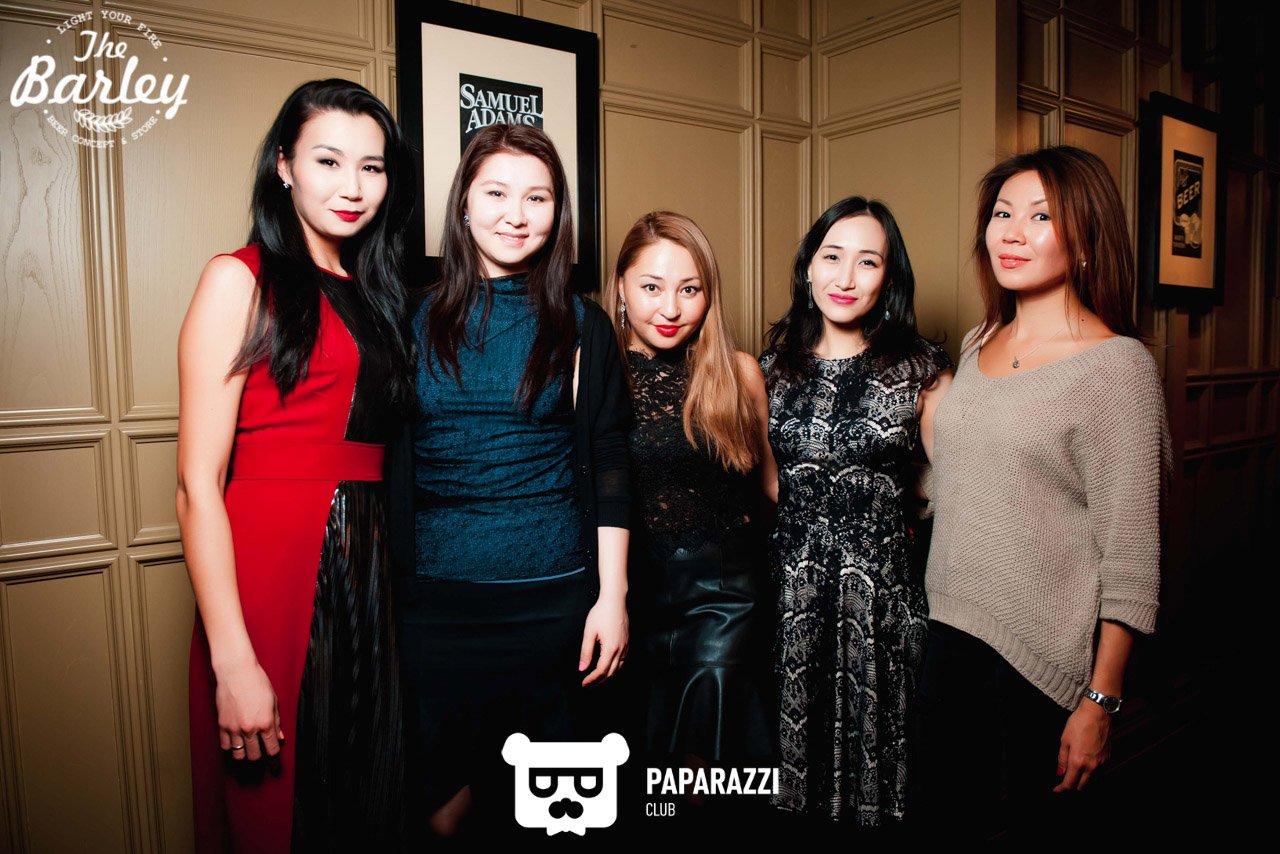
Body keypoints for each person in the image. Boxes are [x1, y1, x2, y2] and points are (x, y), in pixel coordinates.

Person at [179, 79, 414, 852]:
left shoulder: (380, 295)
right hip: (275, 577)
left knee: (366, 801)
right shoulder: (237, 278)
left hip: (371, 575)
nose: (353, 187)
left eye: (372, 168)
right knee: (282, 813)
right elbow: (196, 486)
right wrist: (232, 661)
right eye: (328, 161)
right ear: (283, 165)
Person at [917, 145, 1171, 837]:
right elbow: (960, 480)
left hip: (1035, 662)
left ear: (1085, 238)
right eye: (1002, 214)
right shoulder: (979, 341)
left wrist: (1101, 700)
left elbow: (1131, 556)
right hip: (947, 631)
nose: (1012, 232)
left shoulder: (1117, 368)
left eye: (1041, 216)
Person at [393, 123, 630, 837]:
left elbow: (610, 462)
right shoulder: (409, 316)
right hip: (434, 606)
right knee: (443, 813)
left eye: (538, 197)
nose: (516, 215)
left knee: (551, 813)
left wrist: (612, 598)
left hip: (553, 606)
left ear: (558, 212)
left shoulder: (582, 324)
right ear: (463, 203)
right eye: (496, 193)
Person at [760, 196, 952, 825]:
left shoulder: (921, 371)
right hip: (790, 595)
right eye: (831, 257)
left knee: (883, 773)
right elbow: (766, 483)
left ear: (889, 278)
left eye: (867, 261)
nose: (845, 277)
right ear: (807, 268)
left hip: (883, 601)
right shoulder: (770, 370)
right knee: (792, 775)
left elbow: (957, 489)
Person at [603, 211, 776, 769]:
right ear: (621, 287)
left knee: (705, 770)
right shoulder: (593, 373)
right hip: (627, 595)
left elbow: (773, 487)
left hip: (724, 599)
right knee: (641, 767)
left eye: (690, 289)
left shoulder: (739, 373)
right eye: (652, 287)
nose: (671, 308)